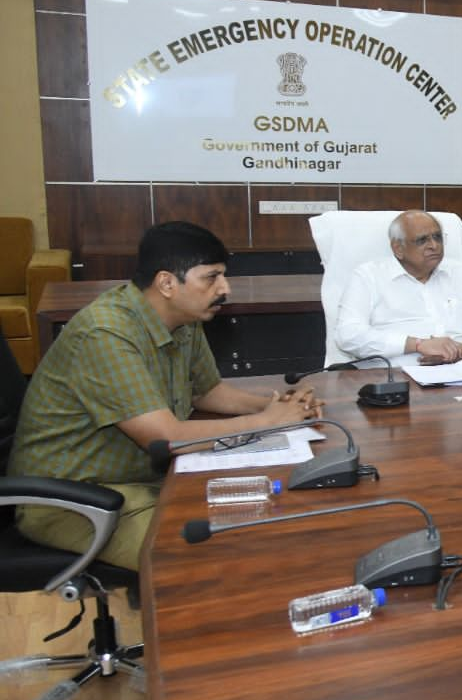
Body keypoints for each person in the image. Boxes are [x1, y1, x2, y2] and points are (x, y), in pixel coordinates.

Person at [7, 221, 322, 569]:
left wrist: (279, 407)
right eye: (211, 278)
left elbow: (207, 392)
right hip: (74, 500)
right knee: (210, 560)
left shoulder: (183, 319)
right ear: (167, 283)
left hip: (147, 481)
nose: (225, 288)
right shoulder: (106, 334)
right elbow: (166, 438)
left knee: (266, 520)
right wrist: (265, 422)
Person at [333, 210, 462, 365]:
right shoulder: (368, 276)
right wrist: (418, 345)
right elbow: (348, 334)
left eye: (437, 237)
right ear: (398, 248)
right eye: (422, 240)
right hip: (395, 373)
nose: (434, 245)